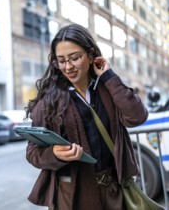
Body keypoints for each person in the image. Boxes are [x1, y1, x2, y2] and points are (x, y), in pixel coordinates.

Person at [25, 23, 148, 210]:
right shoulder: (49, 102)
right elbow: (33, 153)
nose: (68, 67)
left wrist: (109, 76)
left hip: (115, 190)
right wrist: (54, 153)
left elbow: (137, 116)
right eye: (61, 60)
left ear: (90, 55)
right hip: (73, 197)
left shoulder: (107, 89)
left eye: (75, 58)